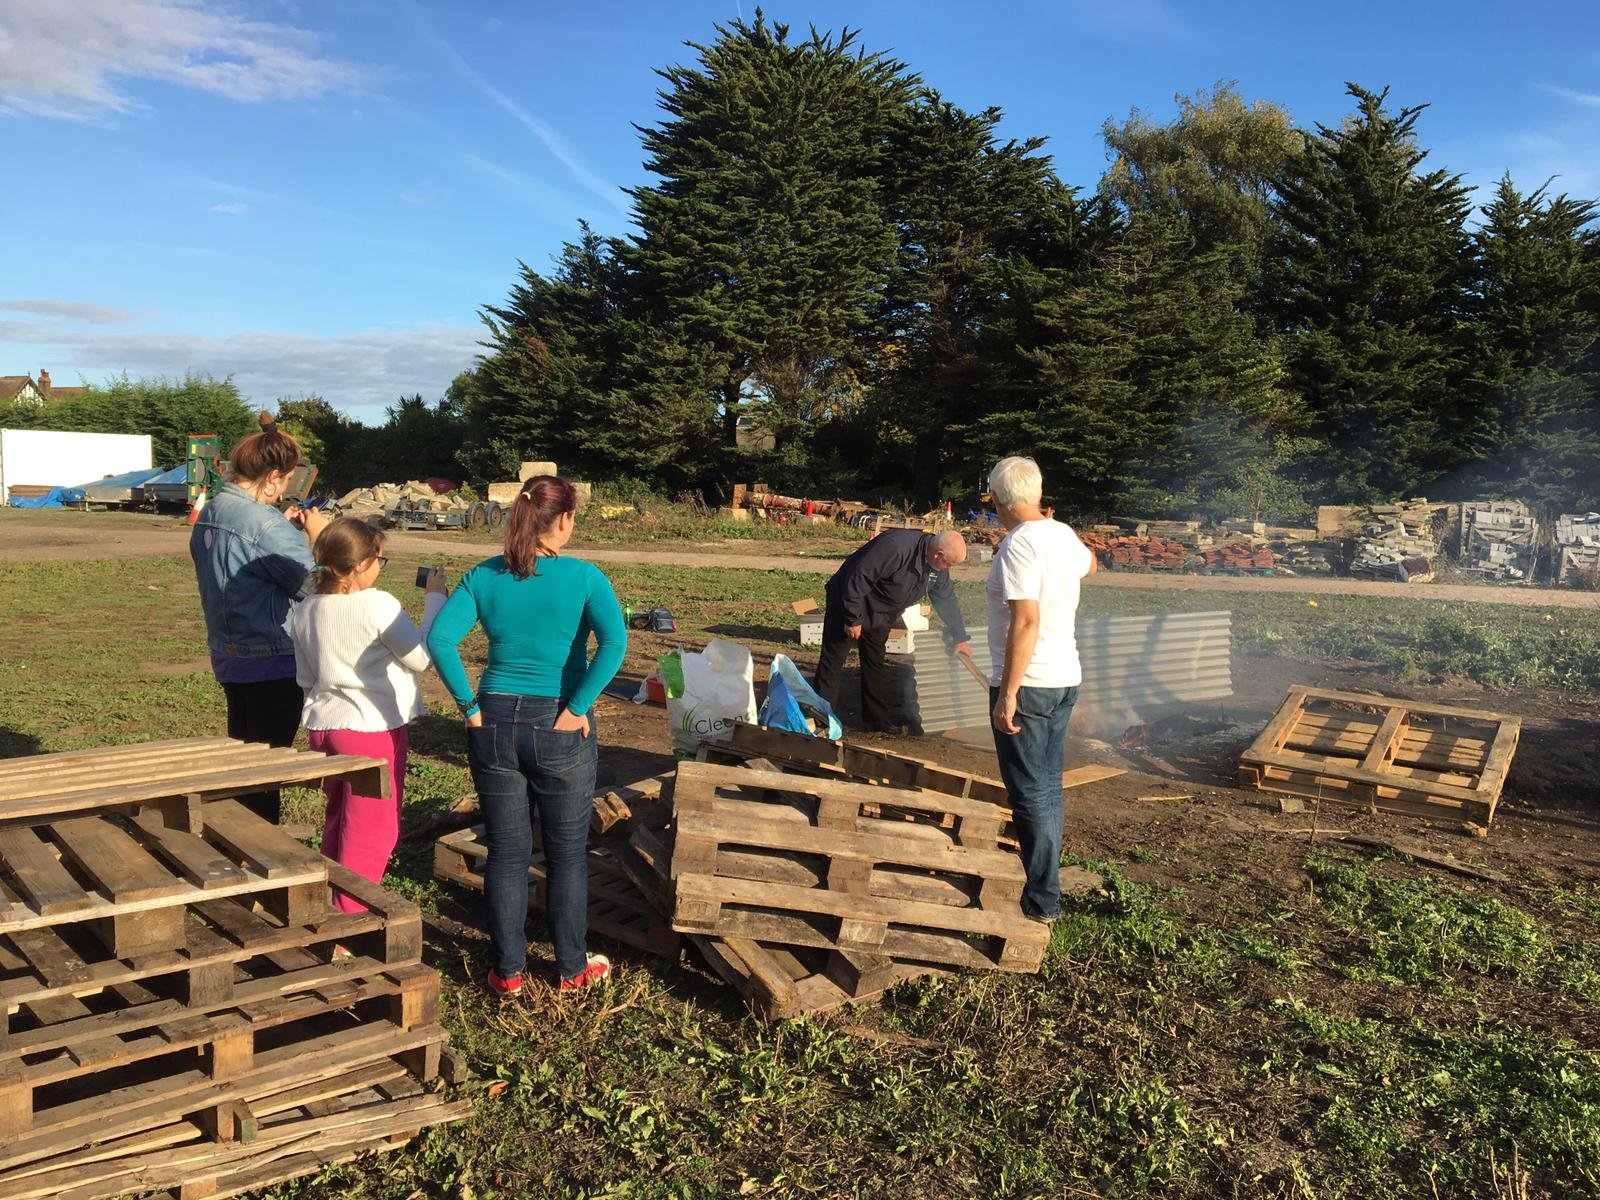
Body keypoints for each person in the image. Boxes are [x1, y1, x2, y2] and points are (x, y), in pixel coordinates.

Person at [426, 476, 627, 997]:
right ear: (562, 520)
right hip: (559, 722)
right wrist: (577, 706)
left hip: (492, 723)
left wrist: (469, 709)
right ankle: (571, 969)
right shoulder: (584, 577)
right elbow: (614, 644)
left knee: (508, 853)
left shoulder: (483, 576)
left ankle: (507, 971)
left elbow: (441, 639)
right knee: (565, 855)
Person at [291, 518, 446, 911]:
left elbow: (306, 677)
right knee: (372, 832)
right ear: (360, 565)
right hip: (370, 728)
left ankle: (325, 901)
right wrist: (435, 601)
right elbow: (422, 659)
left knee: (339, 820)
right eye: (380, 559)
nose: (381, 567)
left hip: (324, 726)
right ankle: (349, 921)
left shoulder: (307, 607)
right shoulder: (377, 603)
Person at [190, 411, 329, 823]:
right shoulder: (265, 524)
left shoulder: (213, 509)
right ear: (271, 477)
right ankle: (259, 856)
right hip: (272, 661)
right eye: (284, 481)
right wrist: (320, 536)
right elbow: (318, 588)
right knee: (266, 771)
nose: (284, 490)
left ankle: (234, 842)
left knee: (244, 759)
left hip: (230, 656)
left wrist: (279, 528)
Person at [985, 456, 1097, 923]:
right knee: (1047, 786)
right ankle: (1045, 885)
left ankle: (1043, 901)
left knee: (1030, 792)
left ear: (997, 499)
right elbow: (1091, 565)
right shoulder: (1060, 533)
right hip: (1063, 678)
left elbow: (1026, 620)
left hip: (1029, 685)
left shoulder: (1018, 545)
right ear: (1036, 492)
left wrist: (1008, 693)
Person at [812, 529, 971, 736]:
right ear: (938, 554)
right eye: (948, 564)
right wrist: (852, 618)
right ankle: (821, 719)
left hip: (882, 611)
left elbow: (947, 600)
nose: (947, 569)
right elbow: (858, 577)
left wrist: (959, 637)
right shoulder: (896, 547)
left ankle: (875, 720)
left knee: (874, 661)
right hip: (849, 600)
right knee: (833, 661)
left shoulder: (936, 568)